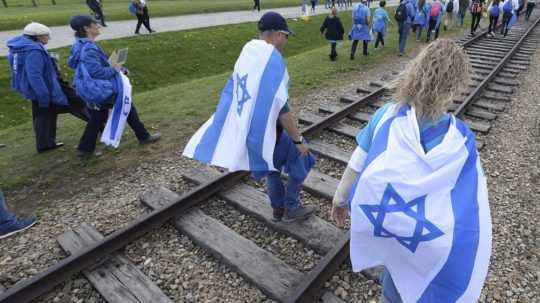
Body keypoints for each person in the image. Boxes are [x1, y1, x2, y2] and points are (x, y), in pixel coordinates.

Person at [331, 39, 492, 303]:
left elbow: (356, 164)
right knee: (419, 278)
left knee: (393, 277)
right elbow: (473, 196)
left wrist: (340, 200)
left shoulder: (386, 115)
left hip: (389, 223)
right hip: (426, 235)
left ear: (415, 71)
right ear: (456, 86)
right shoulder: (461, 139)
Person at [183, 12, 316, 223]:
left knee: (272, 169)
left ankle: (277, 209)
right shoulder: (271, 61)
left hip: (255, 132)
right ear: (276, 34)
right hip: (273, 131)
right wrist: (298, 140)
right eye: (286, 35)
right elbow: (283, 110)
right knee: (305, 159)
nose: (286, 40)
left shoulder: (249, 54)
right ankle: (292, 207)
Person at [68, 15, 160, 158]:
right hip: (101, 89)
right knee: (126, 106)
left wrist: (117, 67)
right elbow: (97, 72)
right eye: (95, 24)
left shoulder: (79, 45)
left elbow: (97, 67)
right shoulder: (89, 49)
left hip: (93, 89)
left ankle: (85, 150)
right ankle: (143, 136)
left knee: (97, 117)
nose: (98, 26)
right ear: (86, 28)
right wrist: (116, 68)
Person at [6, 22, 90, 153]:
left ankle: (45, 144)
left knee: (44, 114)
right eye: (46, 36)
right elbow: (35, 75)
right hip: (48, 88)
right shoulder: (34, 50)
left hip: (35, 89)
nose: (48, 38)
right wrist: (43, 94)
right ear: (37, 36)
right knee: (77, 103)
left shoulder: (19, 47)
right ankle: (99, 126)